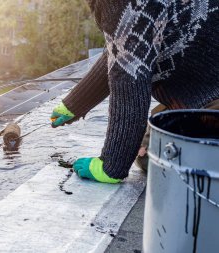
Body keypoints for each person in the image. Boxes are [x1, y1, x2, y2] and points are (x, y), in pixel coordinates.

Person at [50, 0, 219, 183]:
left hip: (211, 97)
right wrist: (74, 104)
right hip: (205, 88)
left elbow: (129, 74)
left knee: (156, 155)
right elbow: (126, 47)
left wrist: (112, 165)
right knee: (150, 141)